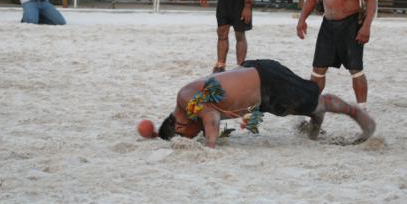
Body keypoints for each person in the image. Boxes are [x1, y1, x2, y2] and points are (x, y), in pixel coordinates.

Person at [157, 59, 376, 148]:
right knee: (298, 107)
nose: (196, 135)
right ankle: (314, 126)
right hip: (257, 87)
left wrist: (210, 147)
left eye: (190, 136)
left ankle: (352, 111)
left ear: (179, 126)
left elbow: (211, 120)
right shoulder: (184, 99)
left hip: (265, 80)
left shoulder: (186, 101)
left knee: (315, 103)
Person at [296, 0, 377, 110]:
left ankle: (362, 110)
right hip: (328, 25)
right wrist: (302, 19)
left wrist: (366, 27)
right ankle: (312, 111)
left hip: (351, 24)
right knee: (317, 71)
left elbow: (371, 1)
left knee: (356, 70)